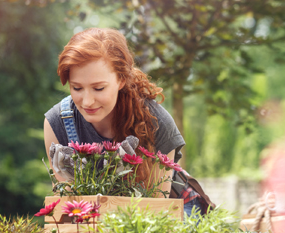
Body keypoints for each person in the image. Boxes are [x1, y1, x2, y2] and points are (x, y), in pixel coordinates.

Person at [43, 28, 185, 197]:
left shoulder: (158, 124)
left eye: (99, 88)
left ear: (121, 80)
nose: (87, 101)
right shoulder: (57, 123)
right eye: (77, 88)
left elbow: (156, 213)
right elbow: (67, 207)